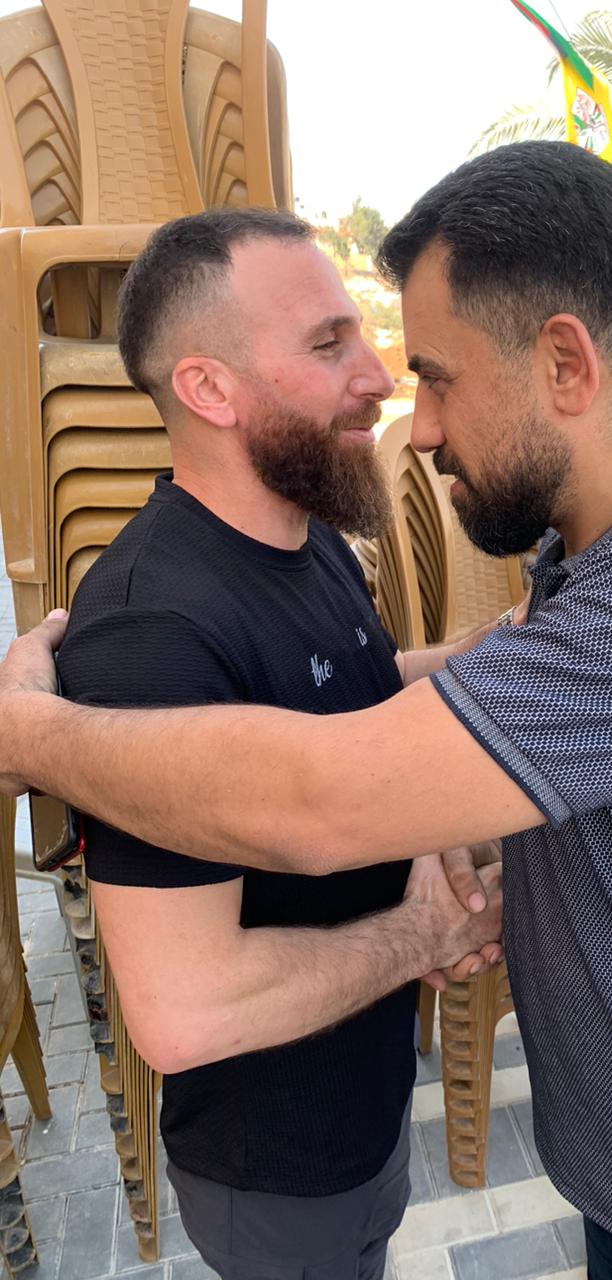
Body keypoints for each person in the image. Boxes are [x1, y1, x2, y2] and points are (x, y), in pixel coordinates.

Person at [1, 143, 612, 1280]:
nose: (419, 421)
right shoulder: (596, 556)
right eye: (339, 347)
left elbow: (322, 798)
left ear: (564, 363)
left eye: (438, 376)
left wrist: (29, 734)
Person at [42, 207, 505, 1280]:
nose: (379, 376)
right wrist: (423, 934)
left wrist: (481, 657)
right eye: (329, 344)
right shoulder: (154, 633)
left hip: (362, 1106)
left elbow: (338, 701)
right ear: (209, 388)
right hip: (278, 1168)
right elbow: (183, 1011)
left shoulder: (305, 536)